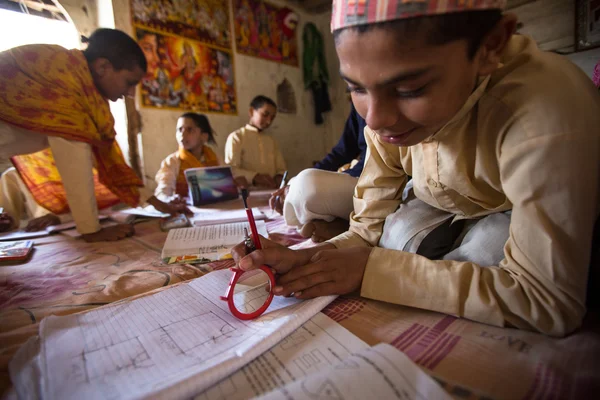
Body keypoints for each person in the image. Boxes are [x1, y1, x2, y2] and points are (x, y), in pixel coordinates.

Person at [232, 0, 600, 337]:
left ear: (491, 45)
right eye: (355, 89)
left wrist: (372, 271)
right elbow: (365, 232)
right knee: (399, 233)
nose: (375, 121)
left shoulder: (544, 114)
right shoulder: (384, 120)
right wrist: (305, 260)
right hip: (447, 206)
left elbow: (548, 301)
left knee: (487, 247)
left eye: (410, 88)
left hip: (507, 211)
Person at [0, 28, 185, 242]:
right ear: (102, 67)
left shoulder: (86, 91)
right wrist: (91, 231)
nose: (130, 93)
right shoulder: (66, 79)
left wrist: (157, 203)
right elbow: (75, 165)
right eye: (129, 82)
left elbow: (112, 162)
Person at [270, 102, 367, 242]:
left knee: (306, 185)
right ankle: (338, 223)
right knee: (298, 182)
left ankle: (344, 225)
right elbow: (341, 152)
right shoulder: (359, 105)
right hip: (356, 175)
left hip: (376, 180)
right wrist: (296, 180)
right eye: (357, 89)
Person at [154, 112, 220, 203]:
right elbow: (162, 192)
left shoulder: (214, 159)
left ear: (204, 137)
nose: (183, 134)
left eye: (189, 130)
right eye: (180, 129)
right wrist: (169, 199)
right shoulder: (172, 162)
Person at [224, 95, 286, 189]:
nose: (269, 121)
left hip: (271, 192)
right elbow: (231, 169)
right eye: (265, 115)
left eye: (272, 117)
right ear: (251, 111)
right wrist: (255, 177)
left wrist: (279, 177)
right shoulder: (237, 137)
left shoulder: (271, 141)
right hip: (248, 193)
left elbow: (281, 169)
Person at [0, 167, 65, 232]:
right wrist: (5, 222)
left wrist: (60, 217)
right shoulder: (13, 174)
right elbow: (6, 215)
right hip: (44, 235)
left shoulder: (69, 166)